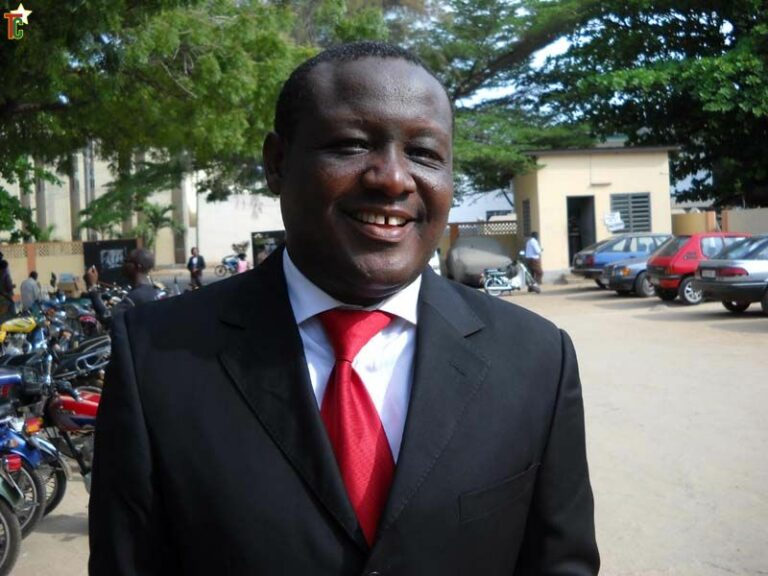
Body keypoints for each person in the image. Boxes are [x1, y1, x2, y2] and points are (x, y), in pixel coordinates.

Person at [90, 42, 598, 575]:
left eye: (425, 153)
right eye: (352, 145)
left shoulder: (537, 358)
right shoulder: (156, 359)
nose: (393, 178)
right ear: (277, 163)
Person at [84, 248, 159, 327]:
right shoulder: (151, 290)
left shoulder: (137, 296)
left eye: (126, 261)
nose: (123, 264)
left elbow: (106, 317)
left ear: (138, 267)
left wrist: (92, 286)